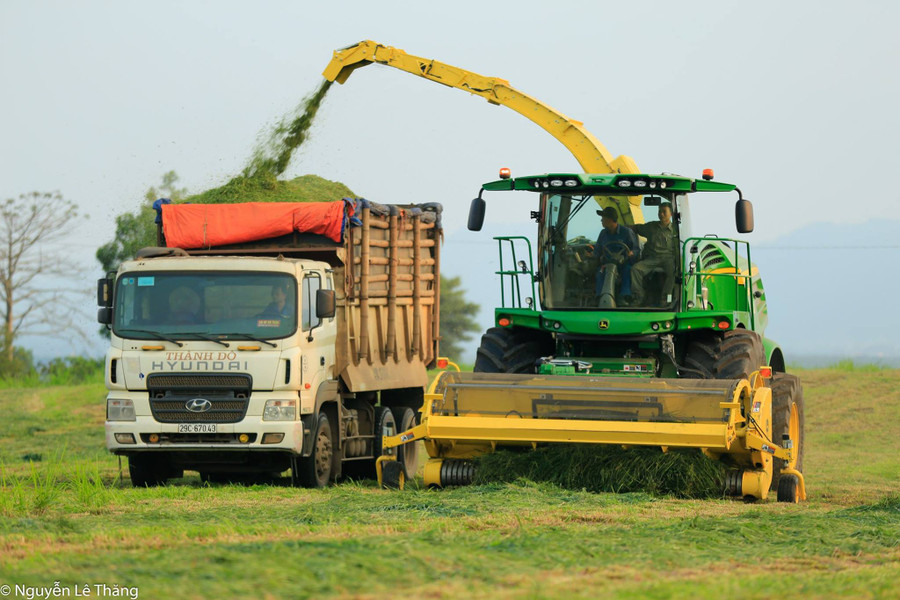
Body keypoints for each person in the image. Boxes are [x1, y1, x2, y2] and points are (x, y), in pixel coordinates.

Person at [631, 202, 679, 306]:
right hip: (652, 259)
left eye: (664, 212)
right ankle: (639, 296)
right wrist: (619, 226)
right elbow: (636, 228)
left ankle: (665, 299)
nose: (661, 214)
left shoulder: (676, 230)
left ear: (671, 214)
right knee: (635, 269)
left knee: (673, 272)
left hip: (668, 259)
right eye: (659, 211)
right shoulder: (651, 227)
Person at [594, 206, 640, 300]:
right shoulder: (603, 233)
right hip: (606, 264)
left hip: (623, 264)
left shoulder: (627, 232)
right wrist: (592, 255)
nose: (601, 220)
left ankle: (625, 296)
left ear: (610, 219)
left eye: (603, 218)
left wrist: (632, 253)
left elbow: (636, 250)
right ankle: (599, 297)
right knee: (600, 272)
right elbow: (597, 250)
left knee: (628, 271)